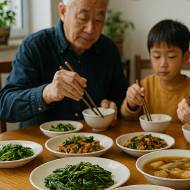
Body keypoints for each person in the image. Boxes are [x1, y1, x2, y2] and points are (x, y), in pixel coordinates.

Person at [0, 0, 128, 127]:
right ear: (62, 11)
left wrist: (113, 106)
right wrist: (47, 93)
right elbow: (5, 106)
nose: (90, 29)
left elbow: (121, 97)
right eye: (83, 18)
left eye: (99, 19)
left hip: (94, 142)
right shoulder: (35, 46)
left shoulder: (108, 49)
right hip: (39, 143)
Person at [121, 19, 190, 123]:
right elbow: (126, 117)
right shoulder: (145, 85)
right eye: (156, 56)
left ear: (185, 57)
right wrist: (131, 103)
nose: (163, 64)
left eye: (171, 56)